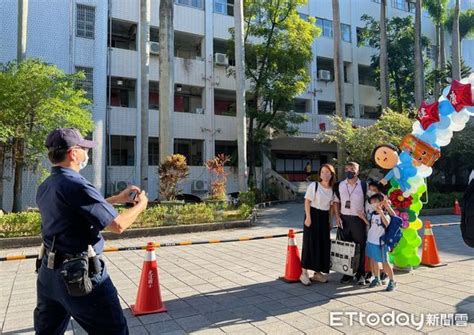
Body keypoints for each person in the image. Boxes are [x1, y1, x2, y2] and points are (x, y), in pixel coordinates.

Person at [34, 128, 149, 335]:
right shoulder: (77, 184)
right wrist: (140, 205)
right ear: (73, 153)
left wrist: (118, 199)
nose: (87, 153)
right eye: (84, 148)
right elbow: (118, 225)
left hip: (48, 276)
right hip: (78, 275)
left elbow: (79, 210)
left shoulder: (47, 185)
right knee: (113, 330)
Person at [300, 164, 336, 285]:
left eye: (327, 172)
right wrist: (308, 217)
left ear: (331, 174)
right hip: (313, 215)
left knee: (323, 244)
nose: (325, 174)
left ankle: (317, 273)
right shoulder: (314, 185)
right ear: (320, 174)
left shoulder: (332, 189)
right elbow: (307, 202)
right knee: (309, 243)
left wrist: (330, 221)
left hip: (324, 217)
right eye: (323, 172)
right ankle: (304, 272)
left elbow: (331, 207)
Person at [333, 162, 368, 285]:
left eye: (352, 169)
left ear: (357, 171)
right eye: (347, 169)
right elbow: (336, 202)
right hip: (344, 220)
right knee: (346, 248)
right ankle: (347, 274)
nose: (349, 171)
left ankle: (360, 274)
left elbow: (370, 201)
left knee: (361, 247)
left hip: (359, 220)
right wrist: (337, 217)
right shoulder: (339, 185)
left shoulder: (364, 185)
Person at [359, 193, 397, 291]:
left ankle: (392, 281)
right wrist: (362, 218)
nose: (373, 204)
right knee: (373, 260)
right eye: (372, 203)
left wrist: (381, 212)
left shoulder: (385, 214)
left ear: (381, 203)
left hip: (381, 243)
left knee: (385, 263)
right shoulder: (373, 214)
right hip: (371, 241)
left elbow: (387, 224)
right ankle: (377, 278)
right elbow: (371, 225)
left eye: (375, 202)